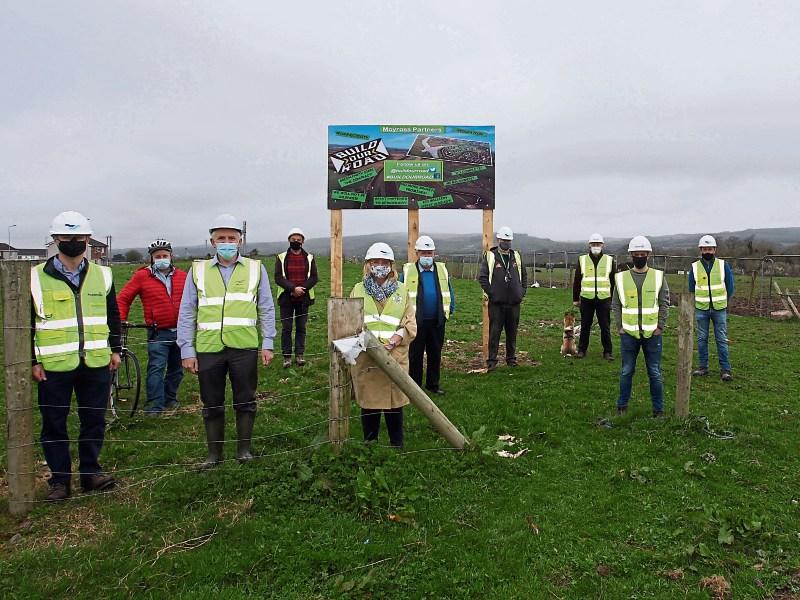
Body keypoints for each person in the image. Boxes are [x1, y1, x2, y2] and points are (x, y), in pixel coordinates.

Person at [30, 211, 121, 501]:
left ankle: (91, 472)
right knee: (54, 422)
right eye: (67, 237)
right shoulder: (35, 277)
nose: (74, 242)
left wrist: (115, 349)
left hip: (95, 361)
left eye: (80, 237)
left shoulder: (102, 274)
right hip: (54, 364)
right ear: (56, 239)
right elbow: (26, 322)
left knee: (93, 419)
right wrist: (33, 360)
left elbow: (113, 315)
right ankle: (60, 481)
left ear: (87, 240)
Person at [177, 214, 276, 468]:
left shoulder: (256, 268)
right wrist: (187, 349)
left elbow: (266, 307)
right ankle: (214, 455)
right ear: (212, 242)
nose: (227, 242)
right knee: (211, 401)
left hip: (243, 346)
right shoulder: (197, 270)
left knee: (245, 398)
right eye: (221, 238)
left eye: (232, 238)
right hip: (209, 348)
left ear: (240, 241)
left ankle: (244, 450)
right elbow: (187, 310)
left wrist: (268, 342)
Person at [350, 242, 417, 447]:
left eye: (384, 262)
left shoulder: (402, 290)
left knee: (394, 403)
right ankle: (370, 443)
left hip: (394, 357)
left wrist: (395, 339)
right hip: (367, 358)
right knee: (369, 404)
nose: (380, 265)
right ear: (368, 265)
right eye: (375, 262)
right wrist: (370, 345)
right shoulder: (358, 290)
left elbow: (410, 323)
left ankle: (396, 445)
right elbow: (351, 321)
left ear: (391, 265)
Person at [116, 239, 187, 414]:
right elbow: (124, 299)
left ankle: (170, 399)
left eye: (165, 255)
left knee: (177, 370)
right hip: (158, 332)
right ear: (151, 258)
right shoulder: (142, 276)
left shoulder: (183, 276)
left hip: (181, 331)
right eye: (157, 256)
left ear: (171, 256)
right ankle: (155, 404)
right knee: (156, 367)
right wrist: (121, 321)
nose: (162, 259)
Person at [612, 236, 670, 417]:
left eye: (642, 254)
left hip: (652, 334)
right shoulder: (621, 278)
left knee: (655, 372)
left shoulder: (658, 276)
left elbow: (664, 303)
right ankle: (622, 406)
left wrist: (660, 326)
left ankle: (658, 410)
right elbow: (616, 304)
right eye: (636, 254)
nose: (639, 257)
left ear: (648, 255)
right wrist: (620, 326)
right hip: (629, 334)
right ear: (631, 255)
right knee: (626, 371)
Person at [399, 235, 455, 395]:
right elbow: (401, 293)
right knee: (415, 355)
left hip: (437, 320)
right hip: (416, 322)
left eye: (429, 253)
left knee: (435, 353)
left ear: (434, 253)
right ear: (417, 253)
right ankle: (414, 387)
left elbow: (448, 289)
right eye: (423, 253)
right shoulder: (408, 271)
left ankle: (433, 384)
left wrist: (450, 308)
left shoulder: (441, 269)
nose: (427, 256)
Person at [478, 226, 527, 371]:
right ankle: (492, 360)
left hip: (514, 302)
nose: (506, 242)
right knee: (495, 332)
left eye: (509, 240)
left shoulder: (516, 256)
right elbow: (483, 277)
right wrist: (492, 293)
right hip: (497, 304)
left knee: (512, 332)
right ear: (498, 239)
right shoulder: (490, 256)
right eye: (504, 240)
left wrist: (521, 292)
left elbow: (524, 275)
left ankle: (511, 359)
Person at [688, 235, 735, 382]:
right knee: (702, 339)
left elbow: (730, 286)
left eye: (710, 249)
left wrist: (724, 302)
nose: (707, 251)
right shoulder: (694, 267)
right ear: (700, 250)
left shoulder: (723, 265)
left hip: (719, 309)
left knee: (721, 339)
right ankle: (703, 367)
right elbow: (691, 289)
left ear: (715, 250)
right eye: (704, 249)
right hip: (701, 309)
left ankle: (725, 370)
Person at [274, 227, 318, 369]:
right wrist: (292, 289)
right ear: (289, 240)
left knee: (301, 328)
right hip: (287, 298)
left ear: (303, 241)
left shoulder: (309, 258)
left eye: (299, 239)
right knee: (286, 328)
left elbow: (314, 277)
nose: (296, 242)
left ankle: (300, 355)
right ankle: (286, 357)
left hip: (303, 299)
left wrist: (302, 289)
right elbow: (278, 277)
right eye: (293, 239)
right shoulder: (281, 257)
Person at [572, 233, 616, 360]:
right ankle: (582, 350)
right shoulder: (582, 260)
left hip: (604, 299)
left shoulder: (609, 260)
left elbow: (613, 281)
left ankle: (608, 352)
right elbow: (577, 280)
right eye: (593, 244)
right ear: (589, 245)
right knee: (585, 325)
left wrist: (613, 299)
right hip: (586, 299)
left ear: (602, 245)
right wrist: (575, 298)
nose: (596, 246)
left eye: (598, 244)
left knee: (605, 326)